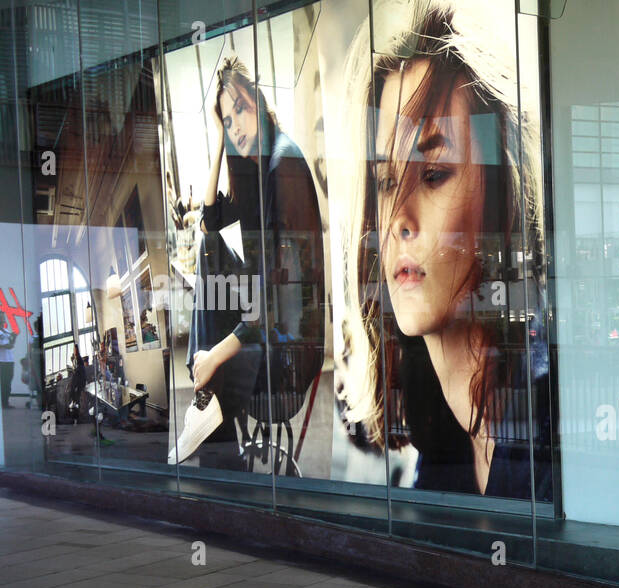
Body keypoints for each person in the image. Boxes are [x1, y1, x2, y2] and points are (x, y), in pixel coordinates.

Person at [336, 0, 551, 500]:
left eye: (433, 175)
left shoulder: (545, 423)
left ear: (502, 202)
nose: (398, 221)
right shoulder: (435, 443)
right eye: (386, 182)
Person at [170, 54, 324, 466]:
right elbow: (208, 222)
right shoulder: (257, 168)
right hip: (267, 324)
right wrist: (219, 139)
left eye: (240, 109)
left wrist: (217, 354)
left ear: (259, 104)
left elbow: (276, 295)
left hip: (288, 348)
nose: (235, 124)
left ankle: (208, 408)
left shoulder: (282, 164)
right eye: (227, 118)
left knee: (214, 367)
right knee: (209, 249)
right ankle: (208, 406)